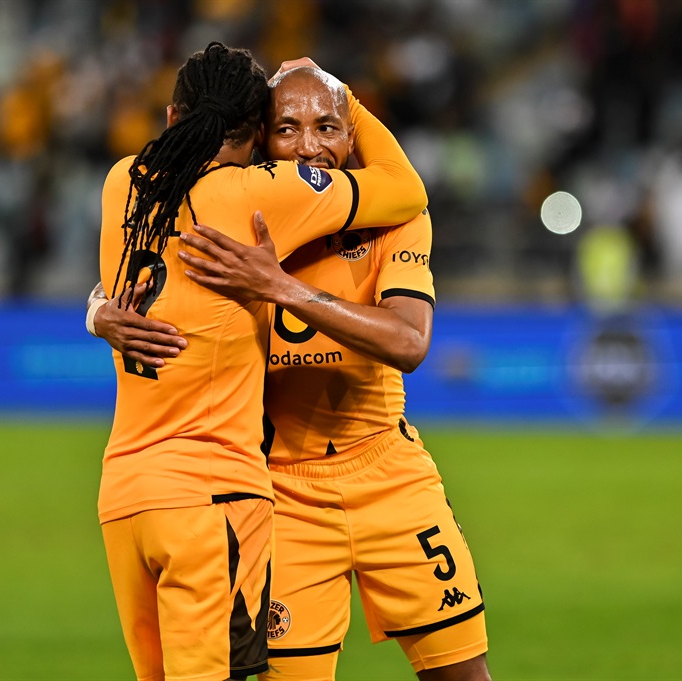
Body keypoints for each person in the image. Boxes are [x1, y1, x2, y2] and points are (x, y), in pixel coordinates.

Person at [93, 62, 490, 681]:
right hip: (285, 491)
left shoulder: (393, 219)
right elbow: (135, 273)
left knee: (461, 675)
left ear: (353, 133)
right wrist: (98, 309)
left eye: (329, 126)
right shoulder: (242, 211)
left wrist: (282, 288)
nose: (311, 146)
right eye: (289, 128)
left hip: (389, 470)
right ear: (259, 142)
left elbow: (410, 342)